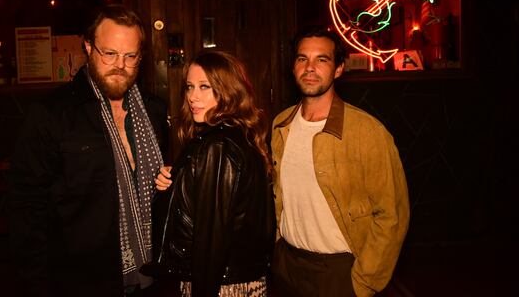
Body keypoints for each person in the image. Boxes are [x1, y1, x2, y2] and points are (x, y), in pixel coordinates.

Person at [9, 3, 168, 297]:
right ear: (88, 47)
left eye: (130, 56)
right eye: (109, 53)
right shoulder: (52, 114)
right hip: (79, 281)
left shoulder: (155, 111)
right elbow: (27, 211)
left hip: (152, 279)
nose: (120, 64)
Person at [270, 28, 410, 297]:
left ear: (338, 69)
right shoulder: (280, 124)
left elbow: (392, 214)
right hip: (287, 264)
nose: (310, 68)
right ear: (293, 66)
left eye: (321, 60)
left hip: (338, 272)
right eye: (302, 59)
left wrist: (363, 281)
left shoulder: (367, 132)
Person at [142, 51, 275, 297]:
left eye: (205, 87)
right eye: (190, 87)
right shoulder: (240, 135)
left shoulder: (218, 145)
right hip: (238, 281)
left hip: (220, 287)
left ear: (228, 91)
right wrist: (177, 185)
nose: (193, 96)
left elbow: (211, 242)